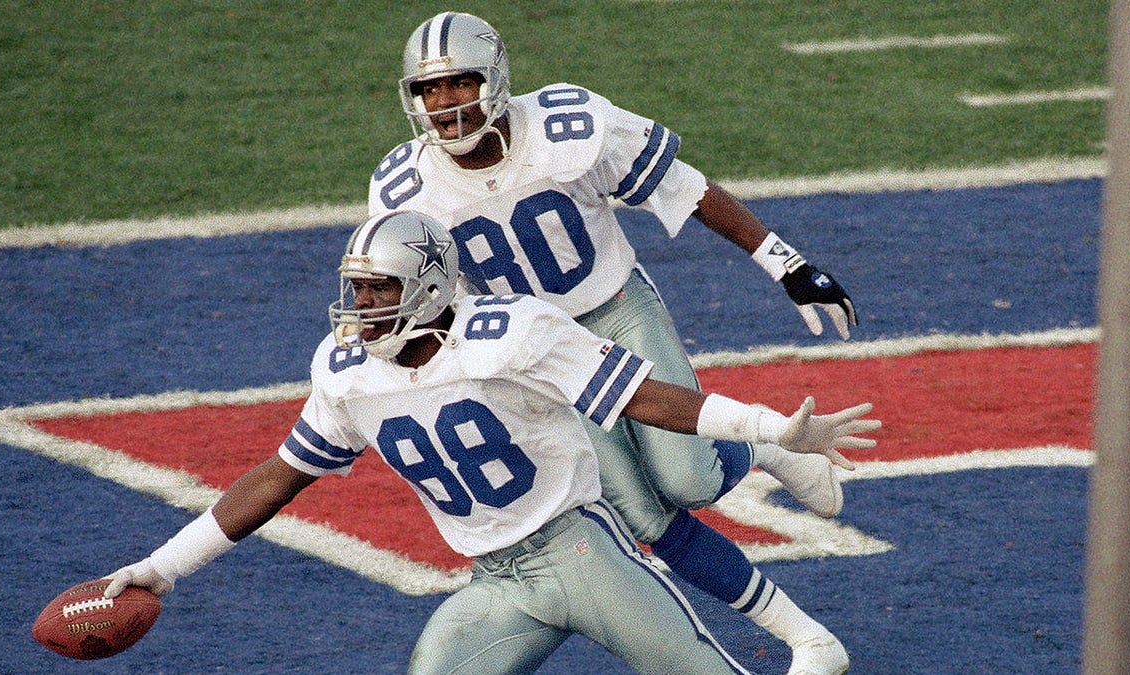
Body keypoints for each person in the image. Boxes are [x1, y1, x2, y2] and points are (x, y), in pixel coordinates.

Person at [103, 211, 880, 674]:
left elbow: (648, 397)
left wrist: (770, 427)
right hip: (496, 580)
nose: (360, 307)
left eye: (379, 290)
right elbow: (279, 476)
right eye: (357, 289)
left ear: (432, 285)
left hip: (583, 553)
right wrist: (163, 567)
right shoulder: (346, 372)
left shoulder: (513, 333)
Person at [369, 12, 861, 674]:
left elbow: (683, 187)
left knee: (686, 477)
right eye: (429, 90)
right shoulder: (405, 185)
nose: (444, 104)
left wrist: (788, 264)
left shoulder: (568, 127)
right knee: (642, 517)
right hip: (538, 354)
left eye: (459, 83)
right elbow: (414, 291)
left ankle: (759, 445)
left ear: (496, 79)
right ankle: (810, 638)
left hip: (615, 308)